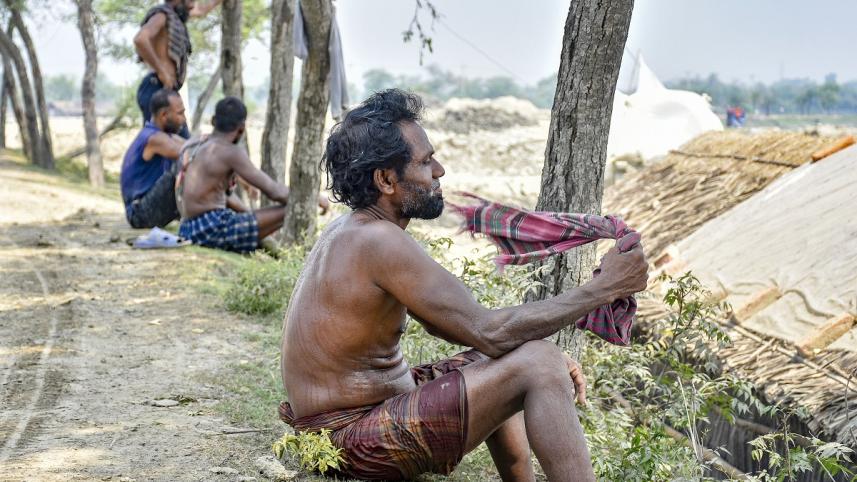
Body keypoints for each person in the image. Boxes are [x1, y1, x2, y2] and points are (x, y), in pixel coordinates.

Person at [279, 89, 650, 481]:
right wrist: (605, 288)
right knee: (536, 362)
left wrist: (535, 350)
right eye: (425, 162)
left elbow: (464, 329)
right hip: (349, 443)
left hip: (350, 426)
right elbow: (489, 332)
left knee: (517, 354)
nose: (439, 171)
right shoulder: (378, 240)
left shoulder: (353, 229)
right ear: (386, 179)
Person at [176, 96, 329, 253]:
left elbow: (219, 197)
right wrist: (314, 198)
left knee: (250, 216)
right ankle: (288, 251)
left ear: (214, 121)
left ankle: (268, 246)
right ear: (241, 128)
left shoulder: (193, 143)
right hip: (209, 230)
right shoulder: (231, 152)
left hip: (187, 227)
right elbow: (275, 192)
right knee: (294, 206)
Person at [133, 0, 222, 138]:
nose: (192, 5)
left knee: (178, 146)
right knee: (164, 143)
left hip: (167, 91)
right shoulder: (162, 15)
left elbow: (201, 10)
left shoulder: (175, 17)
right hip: (156, 88)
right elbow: (141, 39)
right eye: (190, 1)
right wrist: (162, 71)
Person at [120, 89, 187, 229]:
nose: (184, 119)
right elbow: (190, 154)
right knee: (185, 163)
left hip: (145, 210)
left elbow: (192, 146)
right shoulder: (154, 138)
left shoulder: (163, 135)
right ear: (164, 115)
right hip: (139, 215)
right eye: (180, 113)